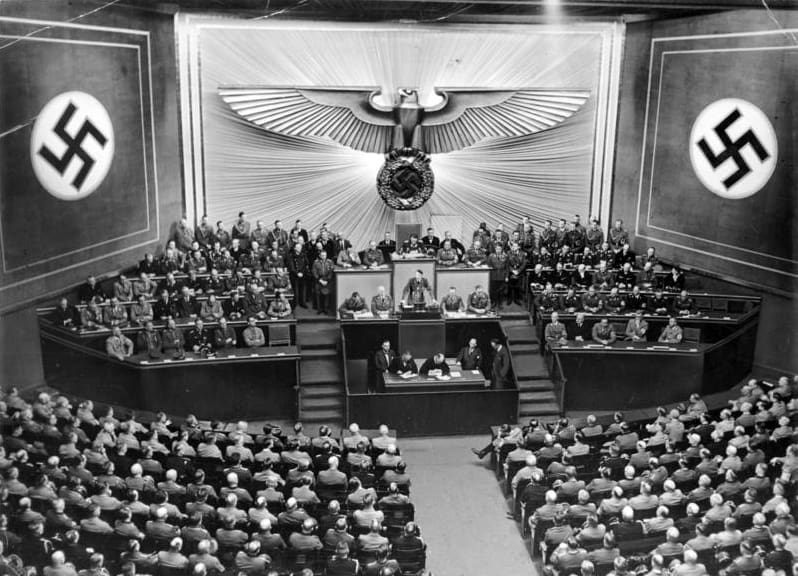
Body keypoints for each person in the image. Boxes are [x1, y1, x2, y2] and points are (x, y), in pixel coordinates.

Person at [287, 243, 310, 308]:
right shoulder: (291, 256)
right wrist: (297, 273)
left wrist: (302, 272)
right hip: (294, 275)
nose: (299, 249)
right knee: (295, 290)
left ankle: (303, 303)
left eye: (300, 247)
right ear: (294, 248)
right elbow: (291, 267)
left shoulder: (304, 255)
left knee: (303, 290)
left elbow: (306, 265)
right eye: (297, 247)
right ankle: (295, 304)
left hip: (303, 274)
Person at [312, 250, 335, 314]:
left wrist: (327, 280)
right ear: (320, 256)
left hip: (327, 279)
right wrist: (319, 280)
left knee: (326, 294)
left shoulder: (330, 262)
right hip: (318, 279)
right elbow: (314, 272)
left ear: (326, 255)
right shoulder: (316, 262)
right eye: (322, 255)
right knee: (318, 294)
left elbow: (331, 272)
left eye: (324, 255)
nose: (323, 256)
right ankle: (319, 309)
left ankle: (325, 308)